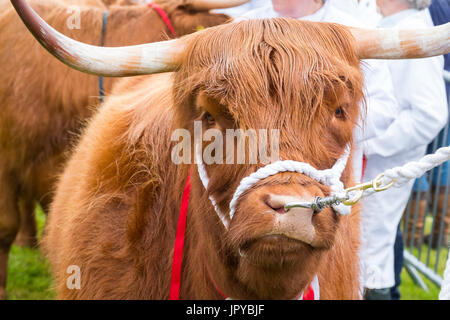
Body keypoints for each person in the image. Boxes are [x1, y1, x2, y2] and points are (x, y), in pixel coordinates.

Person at [240, 0, 400, 299]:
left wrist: (326, 123)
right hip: (253, 175)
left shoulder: (352, 33)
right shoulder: (239, 29)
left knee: (329, 268)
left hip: (325, 176)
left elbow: (384, 108)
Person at [360, 0, 447, 300]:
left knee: (371, 254)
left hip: (384, 167)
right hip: (370, 168)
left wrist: (369, 146)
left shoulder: (411, 30)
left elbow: (430, 113)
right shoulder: (388, 23)